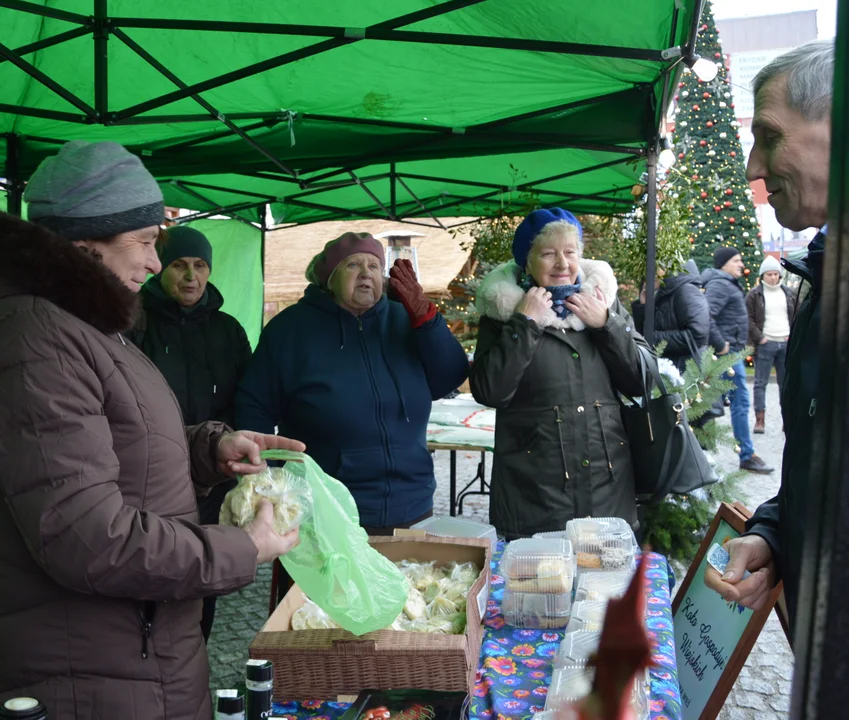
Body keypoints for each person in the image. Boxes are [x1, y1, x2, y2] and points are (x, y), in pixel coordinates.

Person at [0, 140, 302, 719]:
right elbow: (84, 536)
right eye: (148, 242)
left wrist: (208, 449)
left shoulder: (78, 322)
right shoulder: (32, 339)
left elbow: (117, 443)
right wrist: (242, 548)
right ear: (85, 246)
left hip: (131, 647)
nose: (156, 263)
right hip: (82, 664)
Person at [704, 39, 833, 627]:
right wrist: (774, 539)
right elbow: (822, 466)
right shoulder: (829, 278)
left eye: (770, 135)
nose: (753, 167)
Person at [236, 232, 469, 534]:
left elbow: (449, 377)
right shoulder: (290, 330)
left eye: (374, 266)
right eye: (352, 266)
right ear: (329, 279)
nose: (365, 275)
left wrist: (426, 319)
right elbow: (253, 406)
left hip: (411, 505)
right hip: (326, 511)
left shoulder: (403, 319)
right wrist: (272, 482)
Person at [469, 208, 648, 539]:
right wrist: (526, 324)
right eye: (548, 254)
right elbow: (490, 390)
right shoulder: (504, 314)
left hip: (606, 490)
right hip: (535, 496)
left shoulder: (602, 301)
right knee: (541, 587)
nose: (562, 264)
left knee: (606, 586)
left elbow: (640, 380)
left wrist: (607, 324)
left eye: (570, 252)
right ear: (527, 261)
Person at [127, 223, 251, 643]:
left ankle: (196, 648)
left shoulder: (228, 330)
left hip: (213, 478)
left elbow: (244, 398)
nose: (190, 276)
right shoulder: (133, 322)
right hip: (152, 481)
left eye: (200, 265)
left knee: (207, 572)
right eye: (179, 264)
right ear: (160, 267)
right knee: (158, 575)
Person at [701, 247, 774, 474]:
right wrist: (721, 344)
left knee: (713, 404)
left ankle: (712, 456)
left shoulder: (725, 282)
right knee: (736, 404)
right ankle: (745, 454)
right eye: (736, 260)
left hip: (731, 353)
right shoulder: (721, 284)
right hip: (727, 355)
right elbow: (706, 315)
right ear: (724, 264)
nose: (741, 264)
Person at [631, 258, 710, 372]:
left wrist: (651, 338)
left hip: (686, 373)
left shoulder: (686, 290)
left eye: (653, 269)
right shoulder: (663, 291)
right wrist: (643, 305)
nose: (647, 274)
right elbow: (644, 330)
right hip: (668, 369)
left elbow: (698, 335)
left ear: (667, 267)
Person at [746, 255, 795, 434]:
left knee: (786, 384)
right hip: (765, 343)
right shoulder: (754, 295)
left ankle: (787, 420)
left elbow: (796, 315)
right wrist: (760, 338)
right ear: (762, 276)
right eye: (769, 274)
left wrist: (792, 336)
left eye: (776, 274)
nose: (773, 277)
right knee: (760, 383)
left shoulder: (789, 293)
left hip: (785, 342)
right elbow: (748, 319)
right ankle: (760, 420)